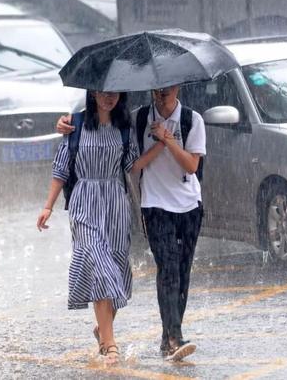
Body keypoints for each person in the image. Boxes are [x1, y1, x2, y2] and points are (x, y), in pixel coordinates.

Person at [56, 85, 206, 362]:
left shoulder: (192, 120)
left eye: (168, 89)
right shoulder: (137, 119)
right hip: (154, 205)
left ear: (178, 87)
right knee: (168, 268)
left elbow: (192, 166)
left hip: (189, 206)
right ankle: (173, 339)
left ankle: (165, 337)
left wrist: (167, 140)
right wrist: (67, 122)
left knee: (182, 274)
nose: (162, 94)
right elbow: (133, 164)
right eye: (157, 89)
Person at [37, 90, 139, 364]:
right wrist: (48, 206)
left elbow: (132, 165)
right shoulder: (75, 124)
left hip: (116, 203)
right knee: (98, 262)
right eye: (104, 93)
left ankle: (102, 330)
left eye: (115, 94)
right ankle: (111, 344)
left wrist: (162, 144)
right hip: (84, 201)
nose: (109, 99)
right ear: (92, 93)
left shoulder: (125, 127)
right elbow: (61, 169)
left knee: (116, 267)